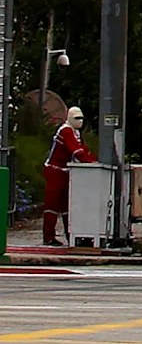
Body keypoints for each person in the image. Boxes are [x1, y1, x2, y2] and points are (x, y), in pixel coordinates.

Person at [41, 105, 85, 248]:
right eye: (77, 118)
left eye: (82, 118)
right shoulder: (66, 131)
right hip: (55, 170)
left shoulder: (75, 132)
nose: (80, 121)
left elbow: (81, 150)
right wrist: (92, 162)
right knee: (52, 204)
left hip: (65, 171)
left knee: (67, 205)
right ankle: (49, 237)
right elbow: (77, 151)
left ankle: (70, 235)